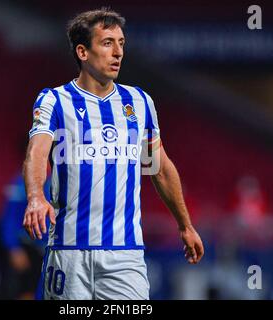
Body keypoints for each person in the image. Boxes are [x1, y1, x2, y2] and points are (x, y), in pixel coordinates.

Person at [22, 8, 204, 300]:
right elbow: (37, 152)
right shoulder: (54, 100)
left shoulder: (139, 101)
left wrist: (185, 225)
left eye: (121, 43)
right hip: (70, 252)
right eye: (107, 43)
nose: (118, 52)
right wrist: (35, 197)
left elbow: (159, 167)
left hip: (125, 255)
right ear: (83, 51)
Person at [0, 173, 50, 299]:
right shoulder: (24, 180)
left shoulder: (66, 176)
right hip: (29, 246)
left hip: (54, 249)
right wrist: (13, 247)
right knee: (27, 290)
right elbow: (10, 215)